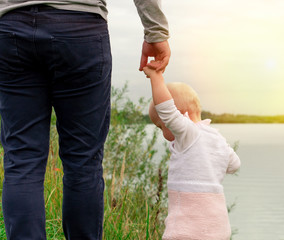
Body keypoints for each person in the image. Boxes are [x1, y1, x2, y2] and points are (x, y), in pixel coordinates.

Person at [0, 1, 170, 239]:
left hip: (11, 28)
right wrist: (156, 31)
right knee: (83, 162)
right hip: (81, 26)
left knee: (22, 159)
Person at [143, 62, 241, 240]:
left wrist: (156, 78)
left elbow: (166, 110)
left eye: (160, 127)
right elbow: (235, 165)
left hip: (187, 230)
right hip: (218, 230)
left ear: (178, 118)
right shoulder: (217, 139)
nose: (164, 134)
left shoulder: (188, 133)